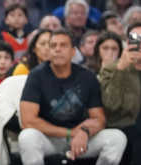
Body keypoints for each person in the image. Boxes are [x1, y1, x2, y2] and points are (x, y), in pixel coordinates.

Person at [18, 29, 127, 164]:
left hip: (80, 139)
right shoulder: (36, 76)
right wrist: (69, 133)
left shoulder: (87, 76)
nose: (57, 49)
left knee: (117, 137)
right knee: (27, 137)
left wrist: (84, 132)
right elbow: (28, 121)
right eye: (53, 46)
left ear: (73, 51)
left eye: (63, 45)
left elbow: (99, 119)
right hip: (48, 139)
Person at [99, 22, 141, 165]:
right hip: (124, 128)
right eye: (136, 39)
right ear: (128, 43)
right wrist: (121, 69)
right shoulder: (112, 69)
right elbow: (110, 105)